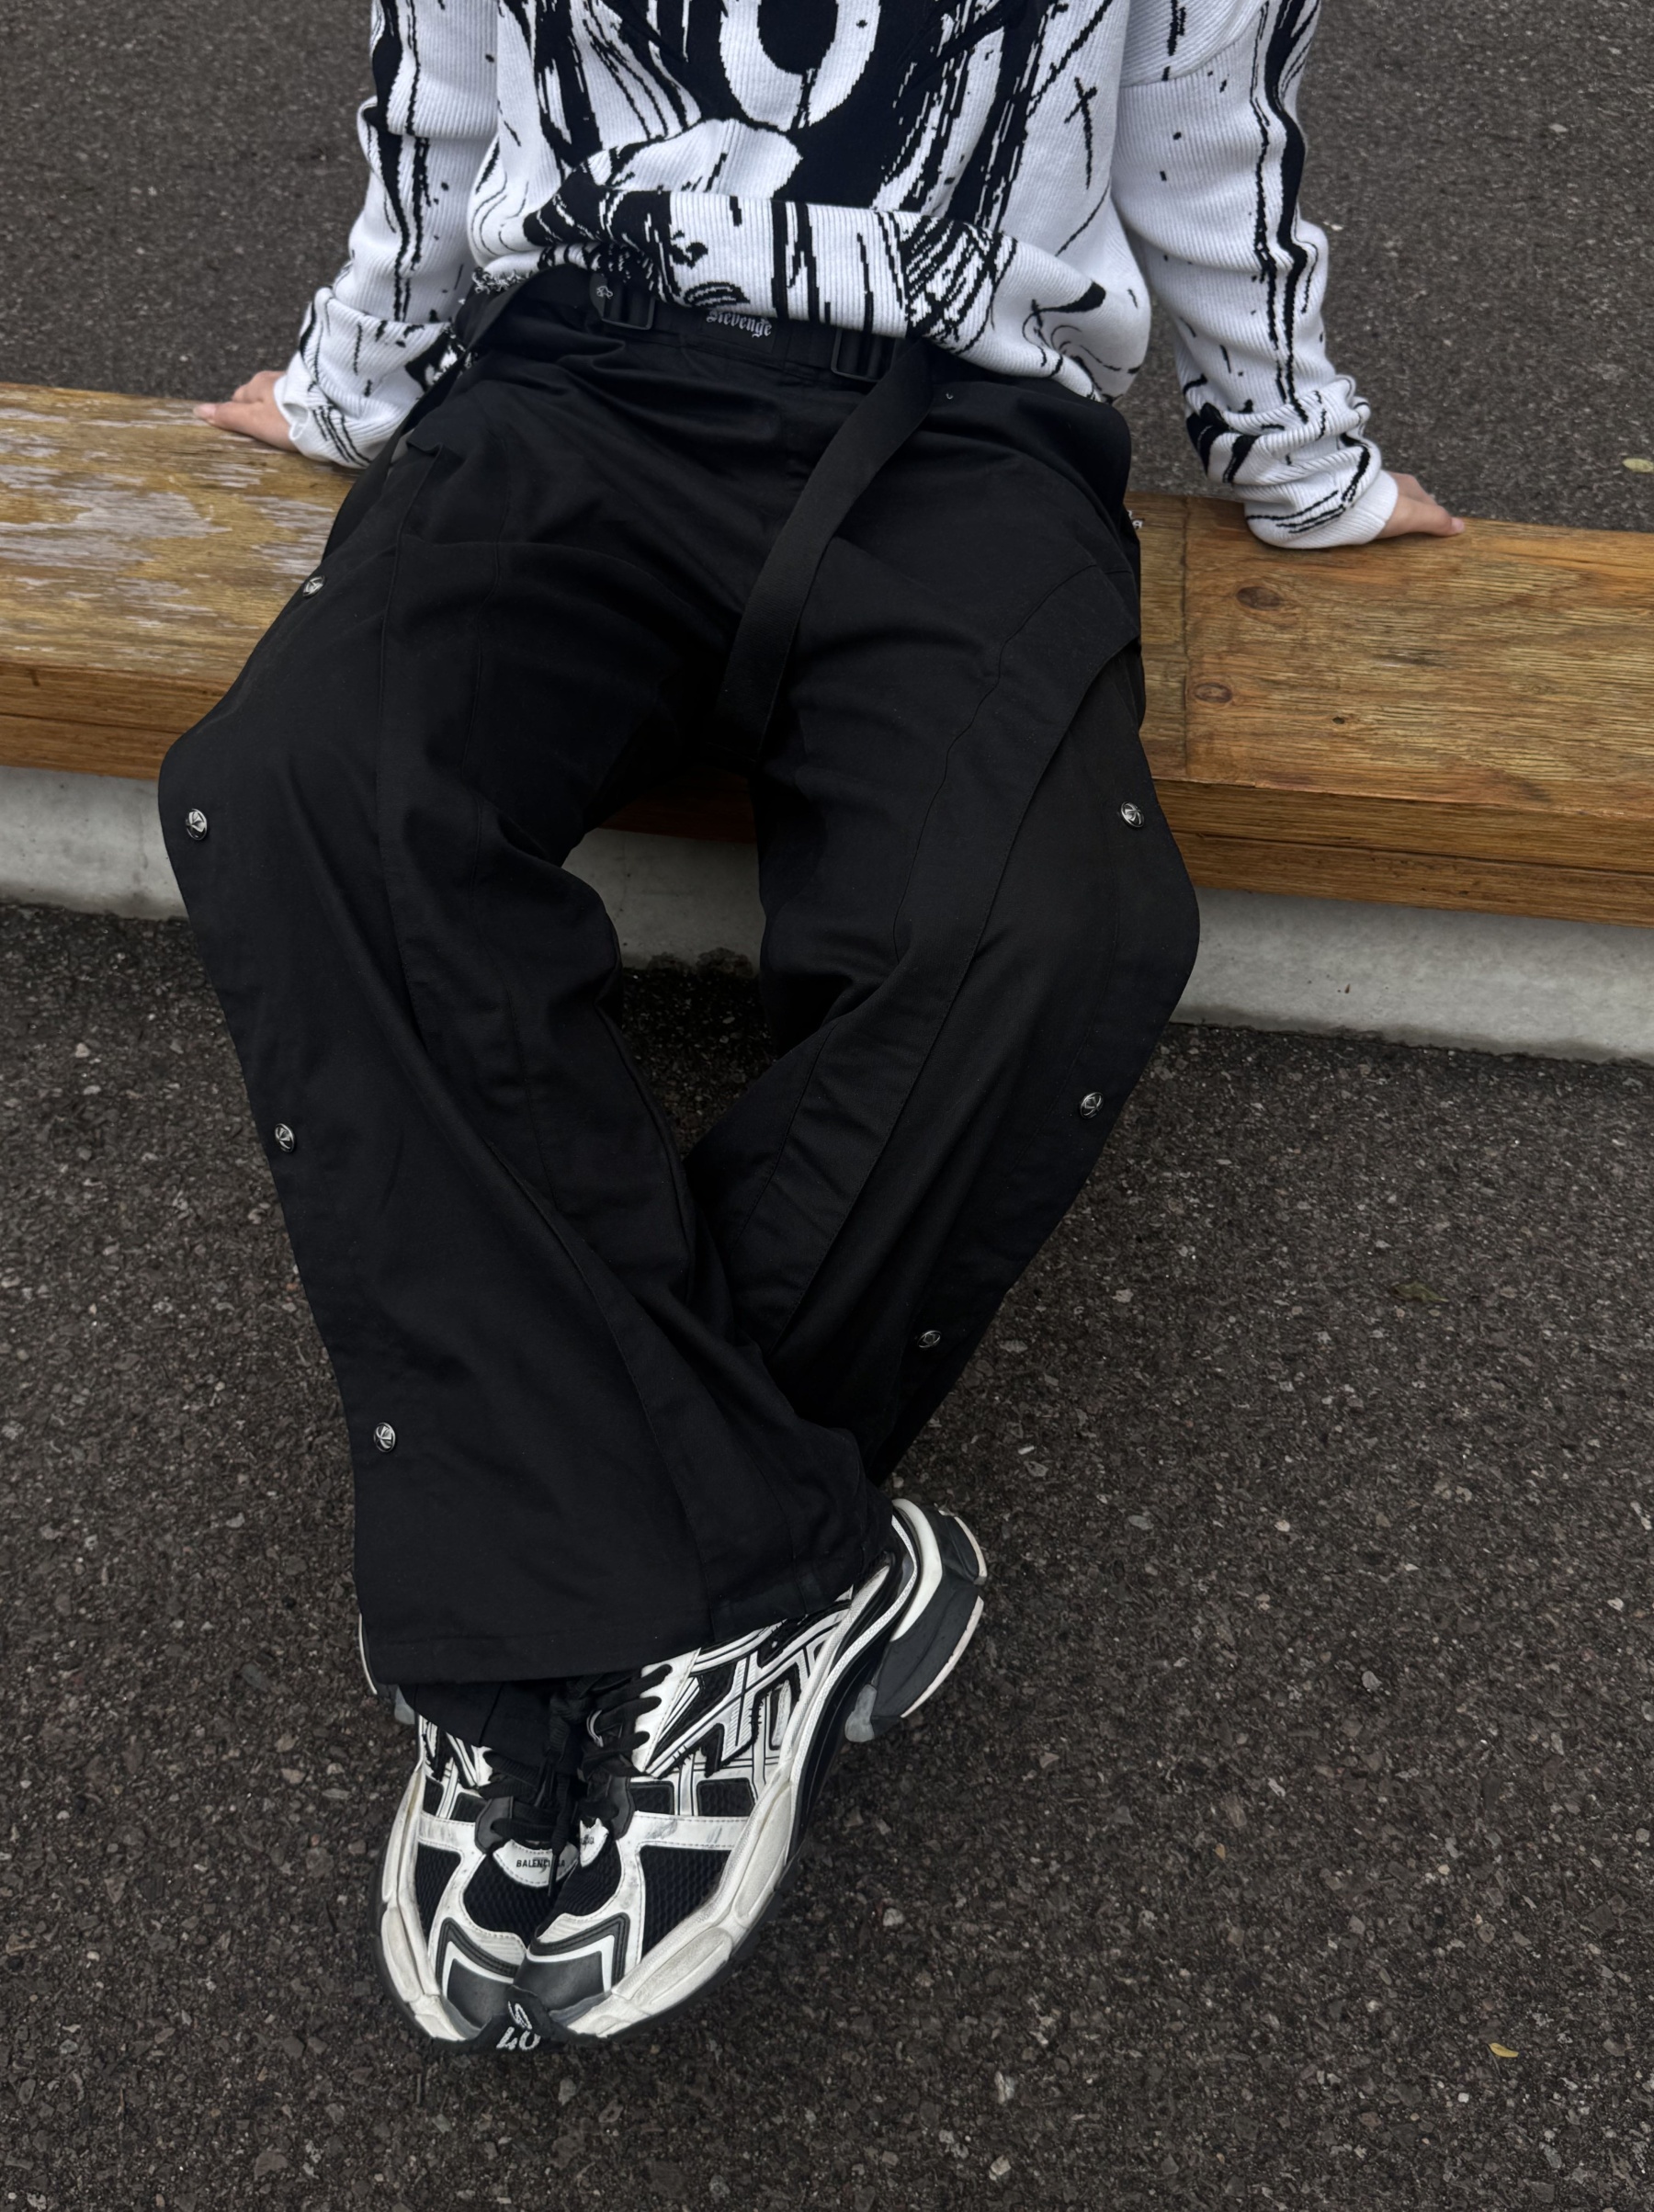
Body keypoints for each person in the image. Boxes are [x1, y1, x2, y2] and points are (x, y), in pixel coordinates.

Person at [170, 0, 1461, 2054]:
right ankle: (754, 1582)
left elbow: (1212, 130)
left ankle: (568, 1607)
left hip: (967, 437)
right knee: (299, 783)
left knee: (1052, 928)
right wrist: (354, 377)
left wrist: (1303, 459)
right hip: (572, 383)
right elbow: (449, 82)